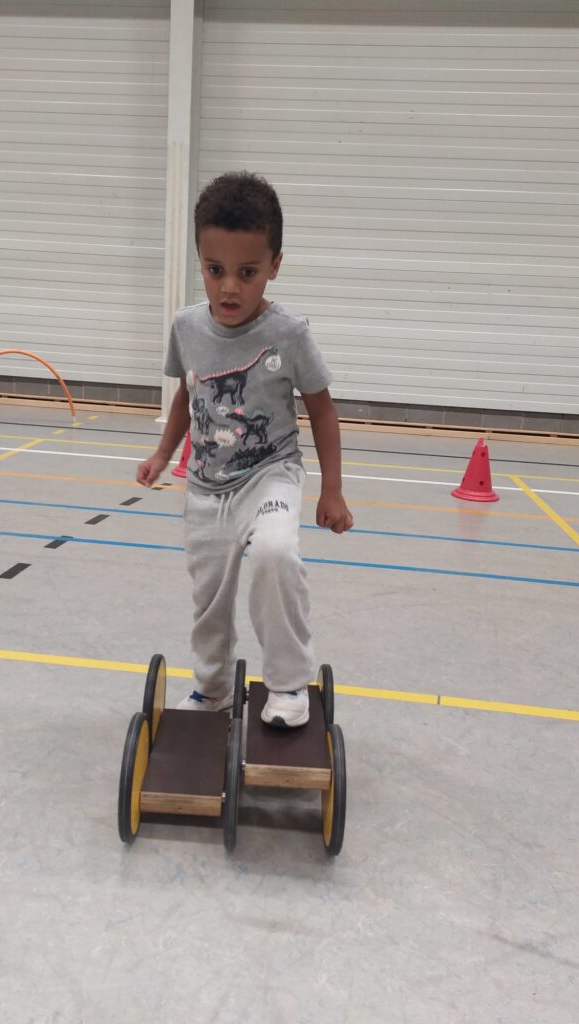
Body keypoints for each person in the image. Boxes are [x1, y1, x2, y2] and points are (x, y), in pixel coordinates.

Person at [137, 171, 353, 728]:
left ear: (275, 265)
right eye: (215, 271)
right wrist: (162, 455)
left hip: (269, 475)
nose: (229, 288)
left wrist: (331, 490)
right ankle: (212, 691)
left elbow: (323, 410)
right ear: (200, 263)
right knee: (209, 597)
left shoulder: (289, 334)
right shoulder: (187, 327)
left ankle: (287, 684)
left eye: (247, 272)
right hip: (206, 487)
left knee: (276, 555)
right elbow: (187, 394)